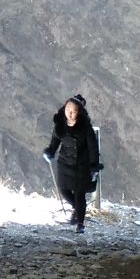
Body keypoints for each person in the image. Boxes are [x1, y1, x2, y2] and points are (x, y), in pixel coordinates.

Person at [44, 94, 104, 232]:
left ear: (79, 112)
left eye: (74, 111)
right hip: (65, 163)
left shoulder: (85, 127)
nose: (70, 114)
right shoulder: (60, 125)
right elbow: (55, 141)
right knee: (64, 190)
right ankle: (78, 209)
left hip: (81, 165)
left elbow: (93, 147)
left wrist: (94, 166)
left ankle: (80, 223)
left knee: (79, 194)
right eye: (68, 110)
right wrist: (50, 152)